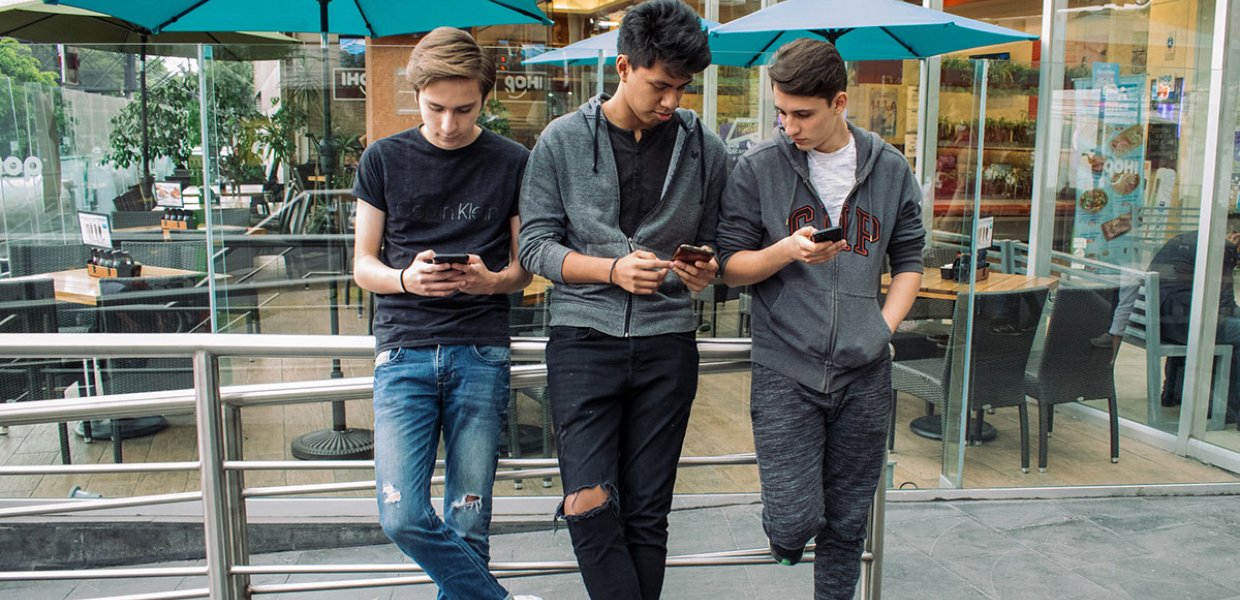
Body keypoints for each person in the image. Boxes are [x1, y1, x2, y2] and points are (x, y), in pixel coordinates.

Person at [518, 1, 727, 597]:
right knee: (586, 499)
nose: (672, 102)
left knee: (646, 512)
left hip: (667, 341)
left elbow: (717, 239)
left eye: (683, 88)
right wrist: (610, 270)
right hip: (583, 340)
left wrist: (703, 268)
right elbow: (534, 247)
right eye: (661, 85)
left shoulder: (704, 147)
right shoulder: (559, 140)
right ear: (623, 66)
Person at [715, 39, 926, 600]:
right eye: (780, 112)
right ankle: (786, 540)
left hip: (865, 371)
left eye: (802, 114)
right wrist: (787, 251)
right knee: (791, 519)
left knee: (849, 519)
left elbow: (909, 260)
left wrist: (882, 327)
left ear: (840, 102)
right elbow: (730, 267)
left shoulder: (890, 169)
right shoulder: (757, 168)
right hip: (787, 367)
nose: (788, 126)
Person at [351, 27, 539, 600]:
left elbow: (523, 270)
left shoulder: (512, 161)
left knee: (468, 521)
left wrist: (491, 280)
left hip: (481, 348)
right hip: (403, 348)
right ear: (417, 94)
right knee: (401, 515)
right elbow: (362, 265)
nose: (449, 123)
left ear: (486, 99)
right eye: (436, 108)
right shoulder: (382, 158)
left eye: (464, 109)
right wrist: (406, 278)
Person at [1148, 213, 1240, 427]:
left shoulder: (1188, 239)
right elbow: (1223, 305)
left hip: (1160, 320)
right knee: (1233, 333)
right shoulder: (1222, 247)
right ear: (1236, 236)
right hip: (1184, 324)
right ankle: (1228, 409)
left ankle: (1173, 392)